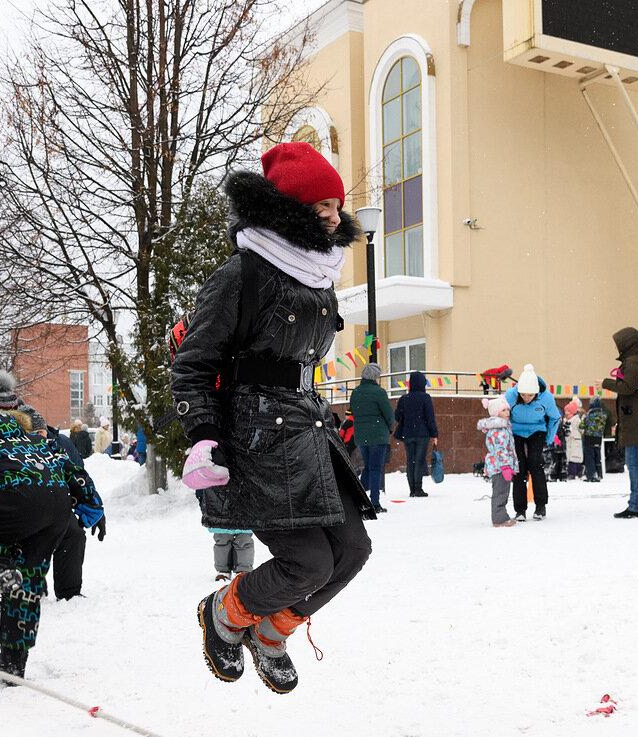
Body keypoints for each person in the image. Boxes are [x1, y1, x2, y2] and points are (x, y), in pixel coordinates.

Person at [170, 140, 373, 694]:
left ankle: (272, 628)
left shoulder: (316, 274)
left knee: (352, 551)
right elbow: (193, 363)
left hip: (306, 428)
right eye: (320, 206)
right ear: (287, 210)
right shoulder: (242, 274)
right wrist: (204, 436)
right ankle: (226, 612)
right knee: (307, 563)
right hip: (255, 439)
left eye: (336, 204)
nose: (334, 215)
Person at [0, 383, 104, 679]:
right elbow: (66, 464)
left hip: (15, 501)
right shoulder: (21, 433)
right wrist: (92, 502)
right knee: (27, 582)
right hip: (57, 510)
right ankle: (13, 659)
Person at [0, 370, 94, 601]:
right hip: (8, 503)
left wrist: (91, 502)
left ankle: (69, 592)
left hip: (50, 497)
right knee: (12, 539)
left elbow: (73, 470)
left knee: (72, 534)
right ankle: (12, 592)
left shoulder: (46, 434)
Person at [601, 327, 638, 518]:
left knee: (633, 464)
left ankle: (636, 506)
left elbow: (627, 387)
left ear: (626, 343)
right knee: (636, 465)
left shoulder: (632, 362)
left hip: (635, 420)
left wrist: (606, 383)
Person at [503, 363, 561, 521]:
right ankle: (520, 509)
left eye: (530, 395)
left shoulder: (546, 398)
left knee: (535, 464)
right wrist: (506, 437)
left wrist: (548, 438)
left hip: (537, 431)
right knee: (519, 468)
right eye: (523, 395)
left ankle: (540, 506)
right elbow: (501, 415)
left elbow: (555, 418)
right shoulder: (510, 396)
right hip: (517, 432)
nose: (526, 398)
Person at [350, 362, 394, 513]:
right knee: (375, 468)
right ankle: (374, 503)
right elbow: (389, 414)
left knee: (368, 468)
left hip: (362, 436)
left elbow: (354, 413)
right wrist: (389, 428)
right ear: (375, 377)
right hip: (378, 436)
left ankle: (359, 500)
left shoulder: (355, 392)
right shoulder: (379, 392)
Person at [392, 370, 438, 497]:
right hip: (422, 435)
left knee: (410, 461)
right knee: (419, 460)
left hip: (408, 434)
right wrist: (434, 434)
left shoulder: (404, 398)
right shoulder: (425, 398)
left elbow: (397, 417)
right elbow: (430, 418)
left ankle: (412, 489)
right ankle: (418, 489)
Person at [478, 395, 519, 527]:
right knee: (500, 493)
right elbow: (501, 449)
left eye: (508, 410)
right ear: (496, 413)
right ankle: (499, 519)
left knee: (502, 492)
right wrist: (506, 466)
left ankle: (500, 516)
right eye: (503, 410)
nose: (507, 413)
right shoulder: (498, 429)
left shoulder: (503, 427)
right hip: (500, 467)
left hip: (500, 466)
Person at [581, 397, 608, 482]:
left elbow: (581, 426)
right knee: (597, 457)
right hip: (598, 438)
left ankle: (591, 475)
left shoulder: (589, 415)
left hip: (589, 438)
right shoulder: (603, 415)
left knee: (590, 458)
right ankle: (599, 474)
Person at [564, 398, 584, 480]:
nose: (566, 413)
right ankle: (572, 473)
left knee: (576, 457)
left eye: (568, 412)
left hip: (576, 440)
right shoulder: (566, 421)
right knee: (570, 457)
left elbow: (582, 429)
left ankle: (577, 472)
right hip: (569, 441)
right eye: (566, 412)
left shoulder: (577, 420)